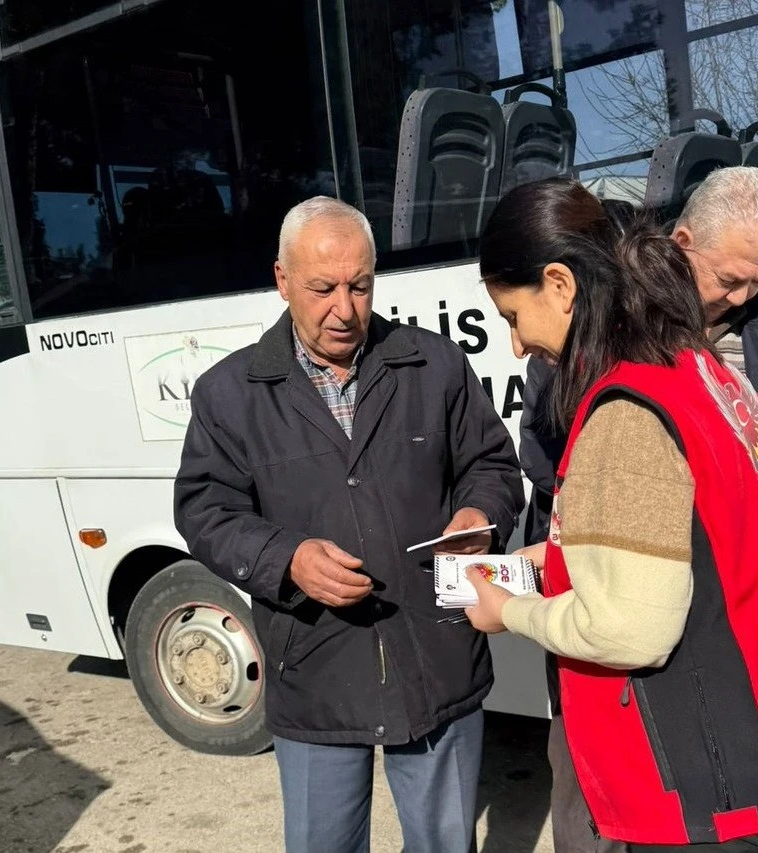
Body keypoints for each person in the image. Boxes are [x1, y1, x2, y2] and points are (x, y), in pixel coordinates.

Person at [467, 178, 758, 851]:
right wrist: (550, 558)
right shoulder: (701, 372)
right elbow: (690, 538)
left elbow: (628, 632)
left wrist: (508, 613)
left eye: (510, 315)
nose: (517, 346)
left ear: (558, 284)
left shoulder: (627, 410)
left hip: (705, 782)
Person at [173, 196, 524, 853]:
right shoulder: (230, 393)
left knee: (446, 843)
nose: (344, 308)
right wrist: (284, 558)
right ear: (281, 280)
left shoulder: (434, 363)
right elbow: (204, 509)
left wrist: (481, 512)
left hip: (436, 660)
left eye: (359, 286)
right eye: (322, 287)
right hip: (314, 672)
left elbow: (492, 465)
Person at [521, 166, 758, 556]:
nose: (742, 297)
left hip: (749, 560)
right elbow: (543, 446)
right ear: (682, 242)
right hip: (635, 561)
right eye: (729, 280)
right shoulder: (604, 309)